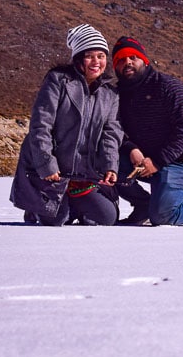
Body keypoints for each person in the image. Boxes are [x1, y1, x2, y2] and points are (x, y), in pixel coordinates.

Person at [111, 36, 183, 226]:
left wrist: (158, 161)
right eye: (121, 59)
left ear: (144, 60)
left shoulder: (169, 86)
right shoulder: (116, 95)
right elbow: (115, 129)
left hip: (182, 162)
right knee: (105, 162)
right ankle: (143, 206)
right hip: (144, 160)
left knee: (163, 216)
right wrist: (131, 147)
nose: (128, 63)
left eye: (133, 57)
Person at [10, 24, 123, 225]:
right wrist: (46, 165)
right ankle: (42, 208)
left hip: (82, 175)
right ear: (79, 58)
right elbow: (40, 126)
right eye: (89, 55)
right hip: (53, 172)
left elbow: (110, 134)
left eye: (101, 55)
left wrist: (109, 166)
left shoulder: (110, 94)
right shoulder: (58, 81)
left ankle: (71, 206)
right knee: (54, 220)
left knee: (107, 217)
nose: (96, 62)